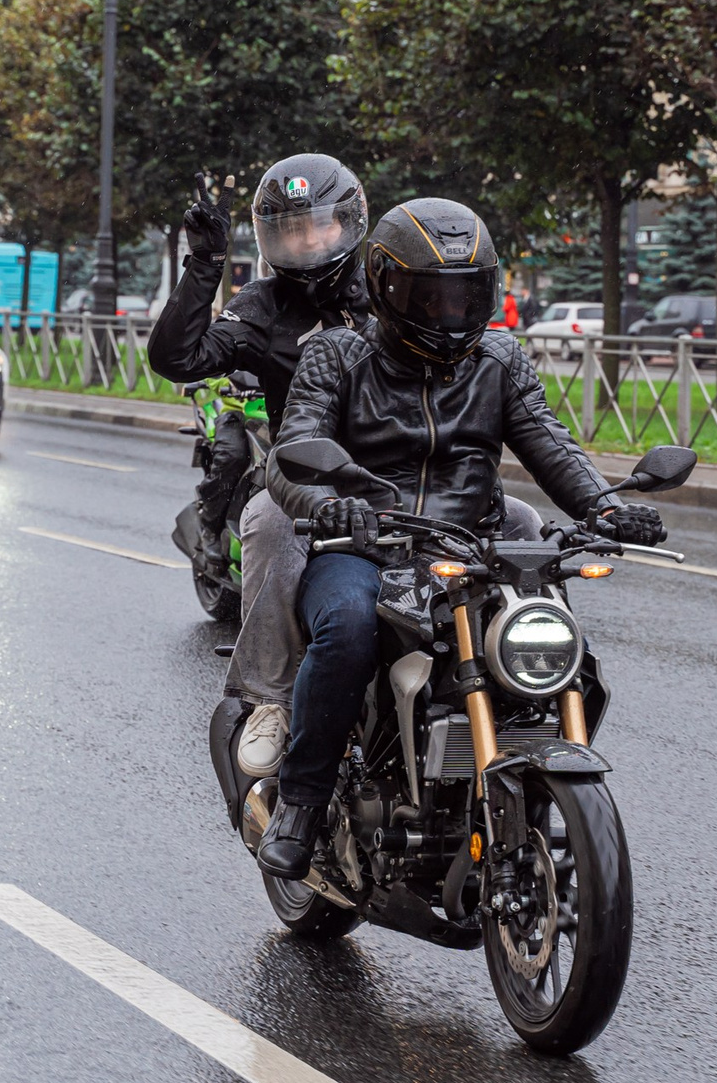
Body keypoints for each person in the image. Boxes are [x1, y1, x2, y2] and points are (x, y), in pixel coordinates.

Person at [253, 198, 668, 880]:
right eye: (431, 296)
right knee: (350, 628)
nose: (450, 314)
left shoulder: (499, 358)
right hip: (366, 545)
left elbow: (549, 442)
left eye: (465, 294)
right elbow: (293, 446)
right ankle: (301, 799)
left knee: (561, 647)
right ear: (385, 287)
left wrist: (607, 506)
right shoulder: (338, 354)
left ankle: (527, 779)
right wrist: (330, 506)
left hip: (472, 549)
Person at [145, 155, 370, 780]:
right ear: (271, 238)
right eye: (291, 229)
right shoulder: (263, 304)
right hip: (304, 478)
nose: (307, 242)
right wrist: (205, 265)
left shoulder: (388, 289)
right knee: (267, 521)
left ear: (350, 224)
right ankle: (269, 695)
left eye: (319, 227)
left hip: (398, 473)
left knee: (515, 519)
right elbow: (179, 356)